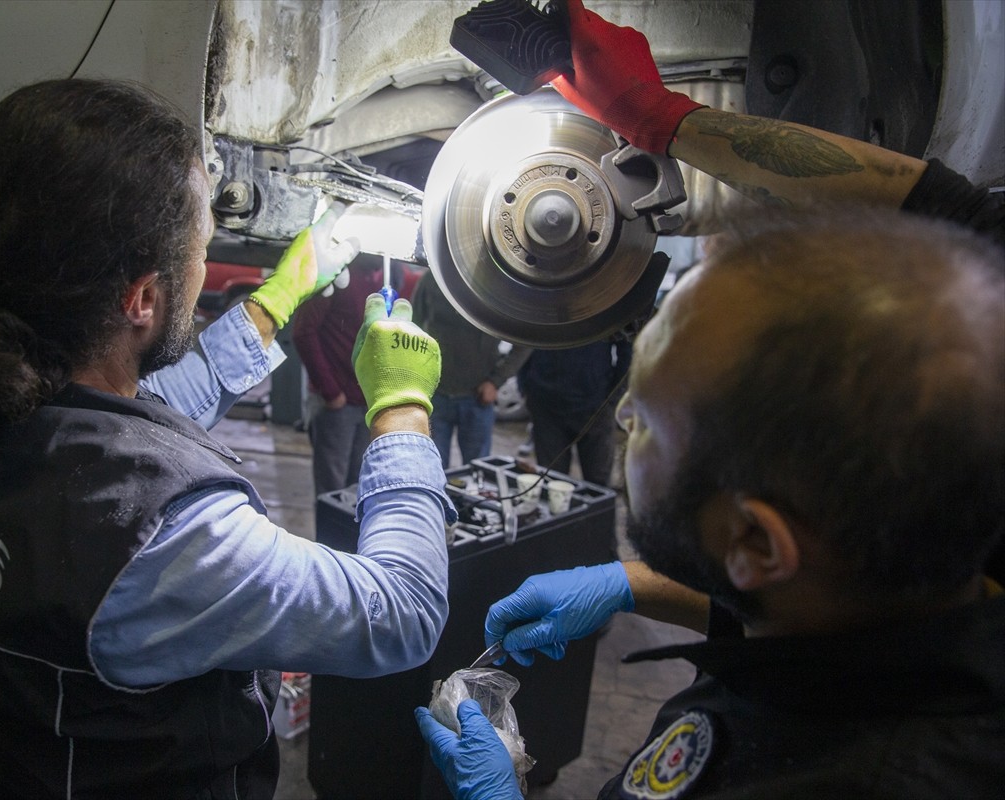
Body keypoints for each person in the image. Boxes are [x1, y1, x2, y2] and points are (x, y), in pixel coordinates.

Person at [416, 2, 1004, 798]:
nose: (624, 418)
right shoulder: (913, 600)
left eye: (647, 425)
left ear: (754, 540)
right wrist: (665, 121)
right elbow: (962, 218)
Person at [0, 78, 452, 800]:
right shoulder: (165, 538)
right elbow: (402, 614)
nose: (203, 266)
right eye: (202, 246)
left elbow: (102, 431)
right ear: (141, 297)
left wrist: (275, 300)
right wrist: (401, 408)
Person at [411, 269, 532, 468]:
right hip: (435, 394)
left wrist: (496, 381)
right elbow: (412, 327)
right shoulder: (434, 279)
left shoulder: (497, 288)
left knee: (477, 471)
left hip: (477, 397)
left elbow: (525, 342)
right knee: (432, 468)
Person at [293, 254, 384, 494]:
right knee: (331, 493)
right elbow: (303, 332)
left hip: (367, 402)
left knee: (359, 490)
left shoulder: (381, 273)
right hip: (337, 404)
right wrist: (331, 391)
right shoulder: (335, 274)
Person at [517, 338, 632, 488]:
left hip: (595, 408)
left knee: (597, 485)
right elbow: (525, 337)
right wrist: (524, 385)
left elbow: (627, 348)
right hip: (546, 405)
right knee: (552, 482)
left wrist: (613, 397)